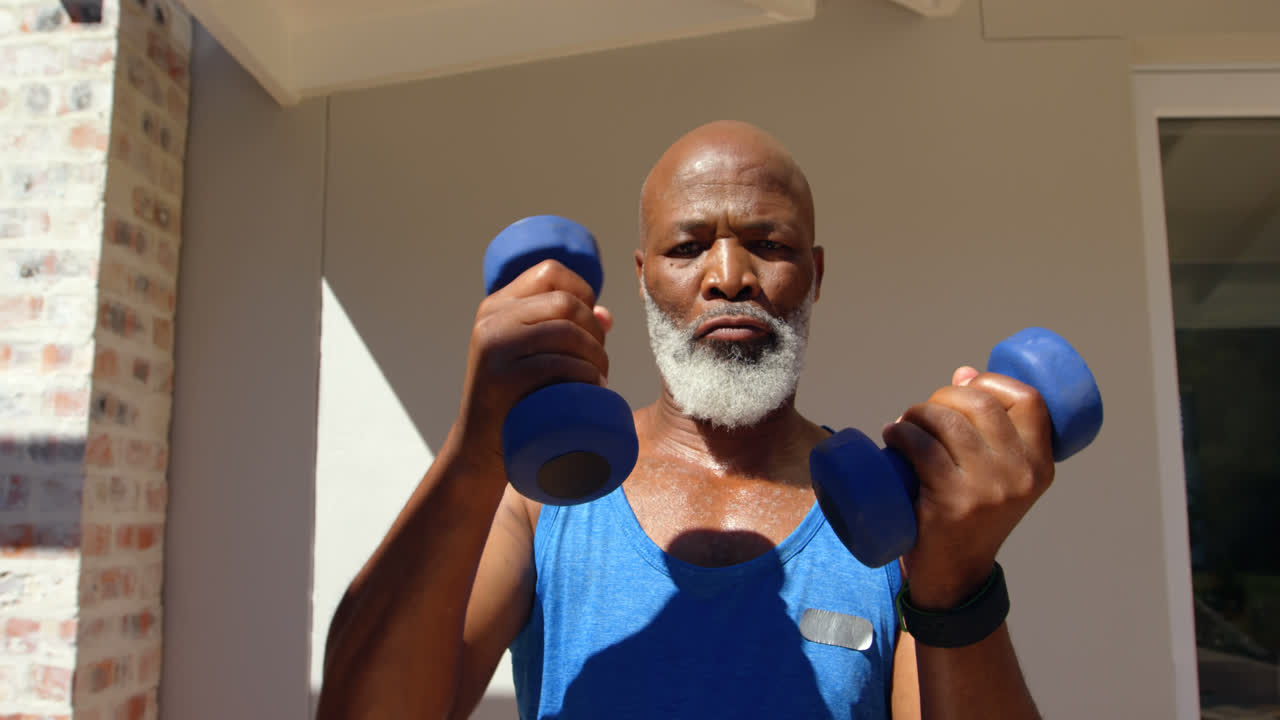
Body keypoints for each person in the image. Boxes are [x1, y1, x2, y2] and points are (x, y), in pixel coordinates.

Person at [317, 120, 1053, 719]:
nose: (729, 277)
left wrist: (960, 580)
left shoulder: (893, 535)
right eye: (688, 247)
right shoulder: (545, 500)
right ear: (642, 279)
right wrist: (475, 451)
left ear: (816, 275)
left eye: (768, 245)